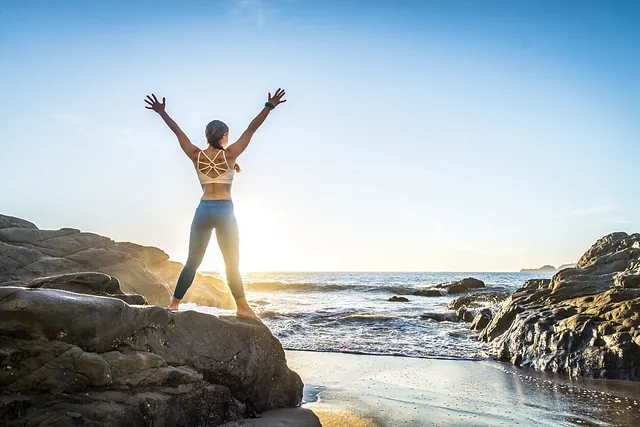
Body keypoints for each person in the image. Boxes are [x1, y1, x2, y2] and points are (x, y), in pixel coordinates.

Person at [144, 89, 287, 318]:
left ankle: (174, 305)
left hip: (203, 210)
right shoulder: (230, 155)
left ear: (207, 135)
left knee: (192, 261)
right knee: (231, 263)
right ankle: (242, 307)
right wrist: (269, 106)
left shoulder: (195, 154)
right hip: (224, 210)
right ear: (224, 136)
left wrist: (162, 113)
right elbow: (252, 129)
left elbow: (177, 132)